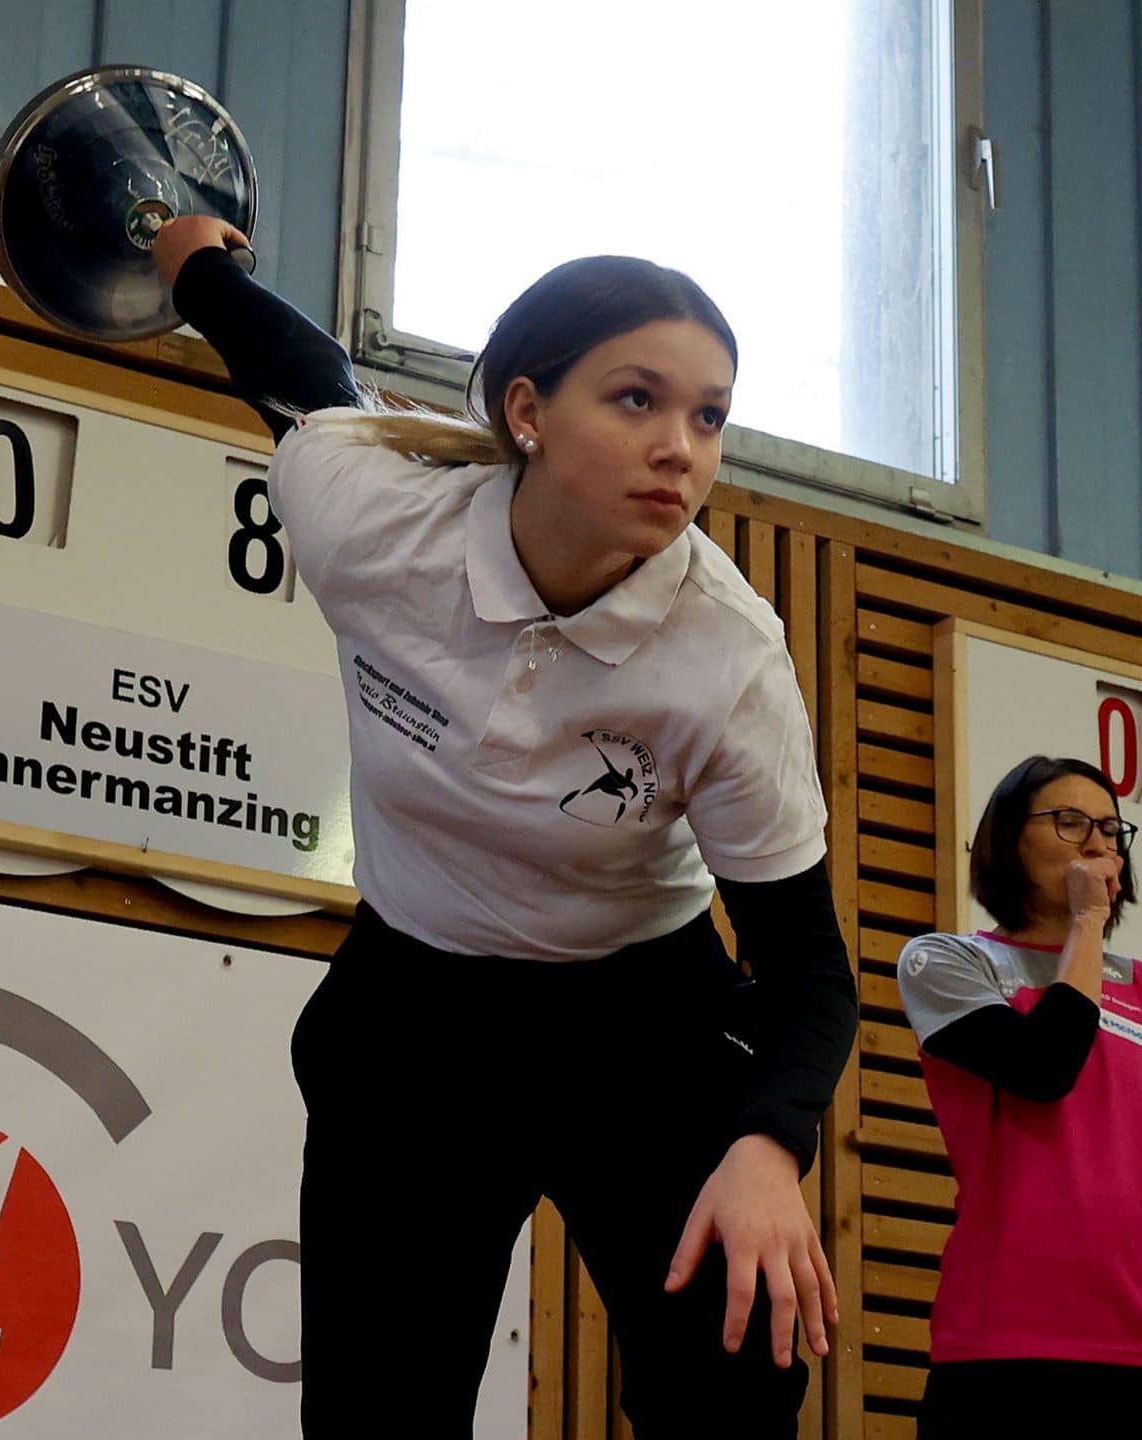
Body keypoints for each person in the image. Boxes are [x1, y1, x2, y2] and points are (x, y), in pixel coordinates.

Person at [149, 217, 855, 1436]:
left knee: (739, 1387)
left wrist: (767, 1148)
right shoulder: (370, 522)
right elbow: (302, 381)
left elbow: (808, 969)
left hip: (646, 1022)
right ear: (526, 408)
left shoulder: (725, 660)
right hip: (420, 1019)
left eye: (708, 417)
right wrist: (194, 262)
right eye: (636, 399)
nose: (678, 449)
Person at [894, 755, 1142, 1437]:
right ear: (1008, 838)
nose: (1098, 843)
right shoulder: (948, 963)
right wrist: (1086, 928)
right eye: (1070, 823)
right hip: (1004, 1340)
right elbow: (1044, 1068)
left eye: (1110, 828)